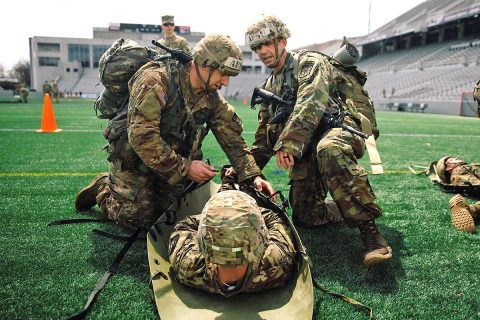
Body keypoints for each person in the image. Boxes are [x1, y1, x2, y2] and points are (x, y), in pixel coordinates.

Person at [74, 33, 274, 230]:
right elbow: (142, 137)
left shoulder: (211, 97)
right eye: (223, 73)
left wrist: (253, 176)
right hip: (135, 161)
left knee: (177, 215)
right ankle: (104, 189)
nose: (225, 82)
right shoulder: (156, 80)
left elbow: (233, 141)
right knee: (139, 219)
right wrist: (186, 168)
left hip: (172, 164)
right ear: (205, 64)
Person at [245, 15, 391, 267]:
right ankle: (344, 206)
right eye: (257, 48)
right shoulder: (270, 84)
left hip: (344, 128)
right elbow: (262, 138)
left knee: (330, 149)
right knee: (305, 215)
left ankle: (372, 235)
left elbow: (310, 101)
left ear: (283, 41)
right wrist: (244, 172)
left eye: (267, 43)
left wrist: (289, 143)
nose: (262, 52)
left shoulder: (309, 62)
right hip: (309, 142)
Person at [168, 189, 295, 296]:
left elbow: (185, 225)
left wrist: (215, 218)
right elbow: (275, 220)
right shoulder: (278, 263)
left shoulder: (188, 265)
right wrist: (248, 214)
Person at [435, 156, 480, 233]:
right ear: (448, 168)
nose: (456, 158)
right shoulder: (458, 171)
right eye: (452, 160)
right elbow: (476, 184)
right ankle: (471, 211)